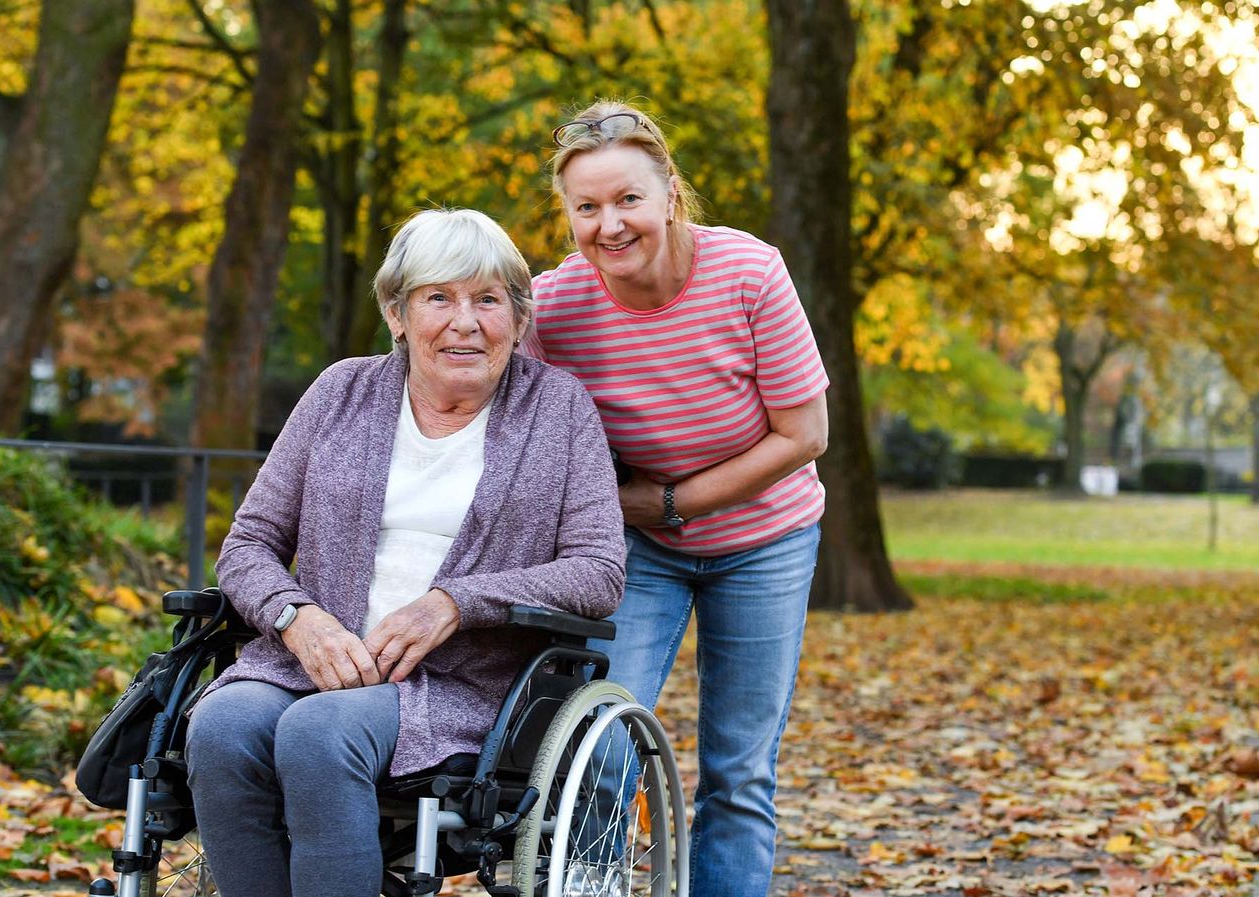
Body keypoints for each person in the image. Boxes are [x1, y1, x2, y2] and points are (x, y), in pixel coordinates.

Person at [185, 208, 625, 897]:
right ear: (397, 312)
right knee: (218, 725)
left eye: (488, 299)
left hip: (458, 685)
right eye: (438, 298)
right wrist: (298, 618)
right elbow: (249, 543)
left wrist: (455, 602)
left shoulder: (559, 409)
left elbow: (597, 571)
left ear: (517, 315)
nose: (465, 321)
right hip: (308, 660)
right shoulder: (341, 391)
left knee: (317, 734)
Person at [523, 100, 830, 897]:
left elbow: (803, 434)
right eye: (585, 207)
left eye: (627, 199)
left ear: (668, 196)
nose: (609, 224)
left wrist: (669, 503)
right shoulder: (553, 308)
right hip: (638, 547)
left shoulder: (748, 272)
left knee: (737, 767)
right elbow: (513, 427)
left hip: (766, 536)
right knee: (598, 746)